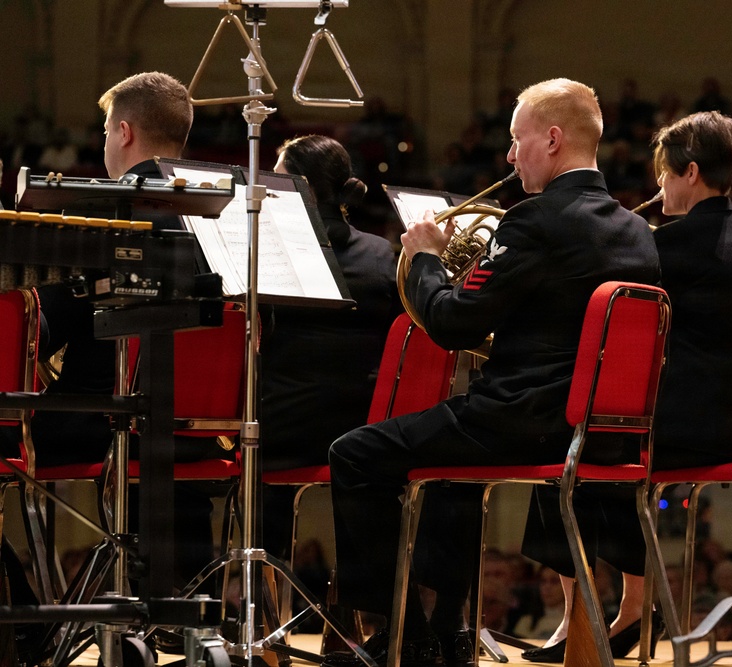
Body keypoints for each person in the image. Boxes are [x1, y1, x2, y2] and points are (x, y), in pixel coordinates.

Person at [324, 78, 660, 667]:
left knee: (354, 454)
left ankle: (401, 631)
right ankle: (448, 629)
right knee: (449, 473)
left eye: (516, 140)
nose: (509, 156)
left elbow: (452, 324)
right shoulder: (637, 231)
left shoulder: (533, 221)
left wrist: (426, 258)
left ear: (551, 140)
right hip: (599, 431)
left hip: (521, 420)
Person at [520, 111, 732, 662]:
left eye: (664, 173)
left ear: (691, 173)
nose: (659, 185)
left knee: (563, 447)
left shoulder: (670, 246)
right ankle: (631, 608)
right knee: (607, 449)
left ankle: (581, 619)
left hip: (695, 430)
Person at [0, 72, 218, 590]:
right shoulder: (220, 218)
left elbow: (38, 331)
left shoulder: (106, 218)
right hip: (204, 428)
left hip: (105, 420)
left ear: (124, 132)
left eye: (104, 131)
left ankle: (20, 614)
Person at [260, 134, 399, 557]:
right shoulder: (382, 253)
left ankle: (264, 580)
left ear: (300, 185)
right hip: (365, 429)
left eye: (277, 179)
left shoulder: (270, 253)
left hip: (281, 435)